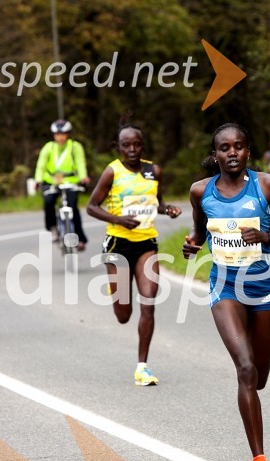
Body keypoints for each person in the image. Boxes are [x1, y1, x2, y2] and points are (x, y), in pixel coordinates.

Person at [182, 123, 270, 461]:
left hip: (263, 287)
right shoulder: (201, 191)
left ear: (249, 152)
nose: (232, 153)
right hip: (224, 286)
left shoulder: (267, 186)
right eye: (224, 148)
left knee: (259, 378)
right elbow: (200, 230)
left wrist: (267, 238)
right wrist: (193, 243)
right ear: (214, 155)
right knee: (245, 369)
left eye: (239, 147)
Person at [87, 123, 181, 386]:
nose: (131, 149)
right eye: (126, 145)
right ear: (118, 148)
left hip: (146, 244)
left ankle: (142, 367)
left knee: (149, 302)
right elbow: (91, 207)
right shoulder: (111, 172)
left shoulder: (154, 171)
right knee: (123, 315)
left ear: (143, 146)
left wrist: (169, 209)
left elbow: (157, 203)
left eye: (136, 144)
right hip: (117, 244)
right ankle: (116, 288)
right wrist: (117, 219)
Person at [35, 119, 90, 250]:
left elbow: (80, 163)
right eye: (57, 134)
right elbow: (41, 165)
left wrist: (83, 178)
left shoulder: (75, 146)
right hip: (51, 180)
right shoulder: (49, 147)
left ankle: (80, 238)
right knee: (48, 201)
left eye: (63, 133)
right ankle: (53, 228)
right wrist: (38, 180)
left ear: (68, 134)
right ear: (54, 135)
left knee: (73, 207)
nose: (60, 137)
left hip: (70, 181)